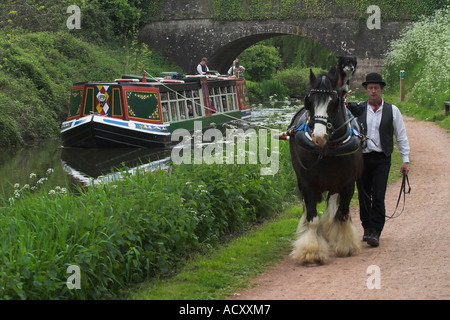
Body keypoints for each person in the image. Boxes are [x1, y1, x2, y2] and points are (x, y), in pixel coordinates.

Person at [347, 72, 410, 247]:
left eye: (376, 88)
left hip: (382, 159)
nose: (373, 91)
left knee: (379, 195)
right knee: (364, 196)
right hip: (362, 159)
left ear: (381, 90)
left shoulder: (393, 110)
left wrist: (405, 160)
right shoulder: (358, 109)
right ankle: (366, 228)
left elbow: (401, 136)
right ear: (366, 90)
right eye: (370, 88)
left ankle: (376, 231)